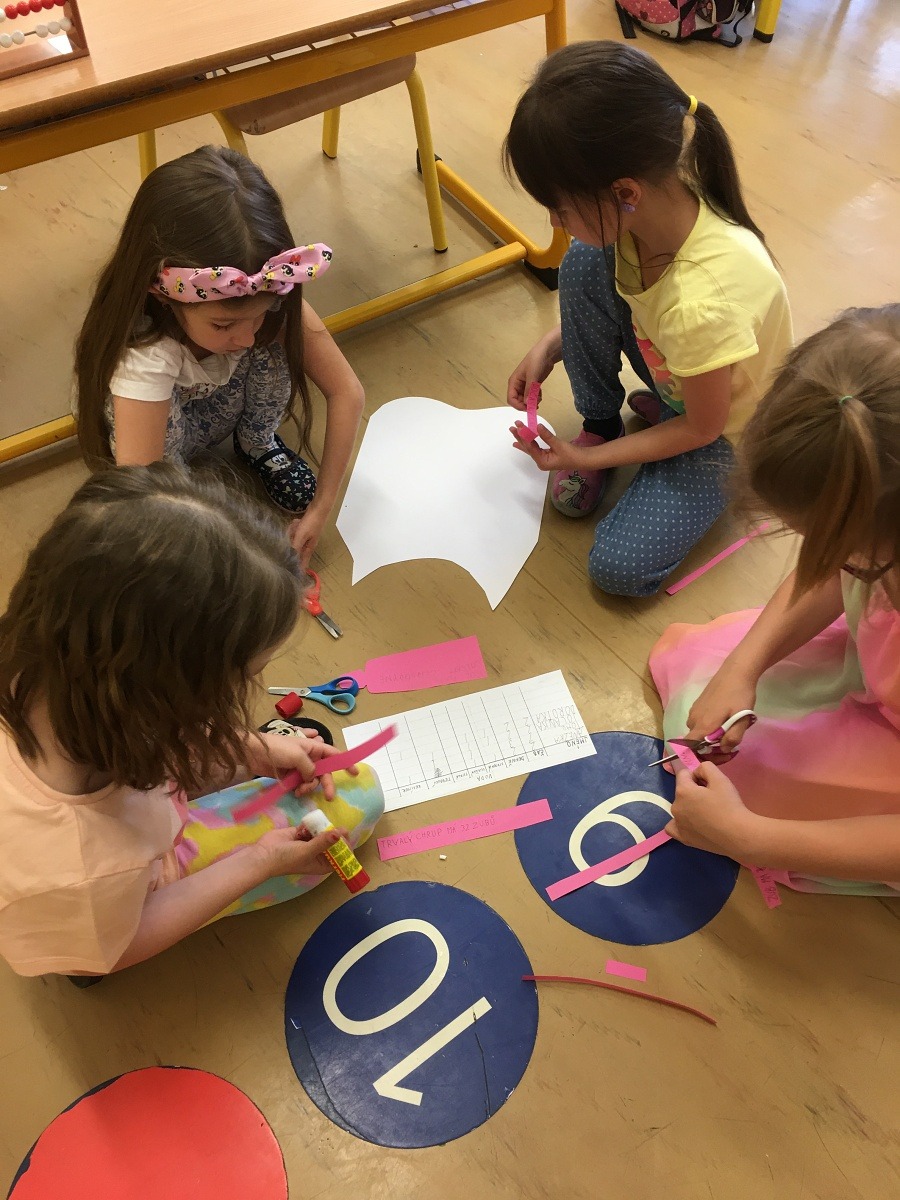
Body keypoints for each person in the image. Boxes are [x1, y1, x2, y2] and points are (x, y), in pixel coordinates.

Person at [0, 464, 384, 978]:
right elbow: (122, 947)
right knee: (361, 799)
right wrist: (260, 862)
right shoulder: (92, 863)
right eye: (242, 678)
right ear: (163, 698)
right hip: (107, 912)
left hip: (104, 831)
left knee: (308, 765)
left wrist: (253, 749)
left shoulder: (57, 668)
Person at [503, 41, 792, 597]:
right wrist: (553, 344)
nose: (554, 222)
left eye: (560, 207)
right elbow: (643, 309)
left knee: (618, 569)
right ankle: (605, 423)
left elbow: (704, 427)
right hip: (686, 374)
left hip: (726, 432)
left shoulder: (703, 301)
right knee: (584, 260)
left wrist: (585, 457)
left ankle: (636, 437)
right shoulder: (656, 208)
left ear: (624, 193)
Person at [651, 306, 900, 893]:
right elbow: (833, 575)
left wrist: (750, 838)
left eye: (844, 547)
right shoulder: (873, 526)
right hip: (875, 663)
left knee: (759, 799)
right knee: (704, 689)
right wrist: (744, 666)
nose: (829, 558)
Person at [74, 145, 364, 565]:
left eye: (259, 314)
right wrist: (237, 555)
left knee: (275, 338)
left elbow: (346, 392)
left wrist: (322, 507)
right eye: (224, 325)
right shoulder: (144, 354)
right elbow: (143, 500)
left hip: (213, 405)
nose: (246, 337)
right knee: (171, 500)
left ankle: (255, 443)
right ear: (164, 294)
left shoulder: (263, 292)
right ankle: (185, 481)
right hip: (155, 433)